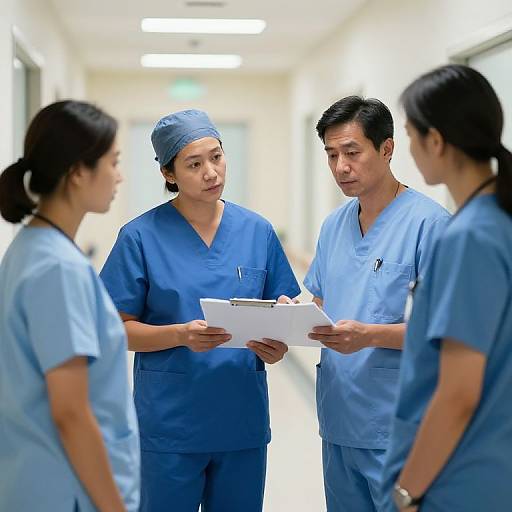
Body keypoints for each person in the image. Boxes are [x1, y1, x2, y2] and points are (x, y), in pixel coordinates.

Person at [100, 109, 301, 512]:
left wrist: (278, 346)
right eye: (194, 164)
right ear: (169, 174)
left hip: (241, 421)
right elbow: (112, 330)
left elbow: (284, 313)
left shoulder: (257, 231)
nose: (211, 172)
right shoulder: (139, 237)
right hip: (170, 427)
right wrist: (179, 335)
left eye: (217, 156)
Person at [284, 96, 450, 511]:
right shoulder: (334, 225)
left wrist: (369, 336)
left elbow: (446, 334)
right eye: (332, 154)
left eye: (352, 152)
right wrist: (288, 317)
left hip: (399, 429)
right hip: (339, 420)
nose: (341, 166)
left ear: (387, 148)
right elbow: (321, 302)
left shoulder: (430, 226)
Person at [380, 64, 512, 512]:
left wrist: (406, 493)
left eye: (412, 137)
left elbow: (458, 393)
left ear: (435, 141)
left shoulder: (469, 237)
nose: (412, 151)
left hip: (456, 480)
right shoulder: (499, 221)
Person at [0, 101, 140, 511]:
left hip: (34, 479)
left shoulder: (28, 248)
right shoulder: (57, 268)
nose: (119, 175)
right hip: (69, 491)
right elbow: (71, 412)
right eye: (112, 162)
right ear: (79, 171)